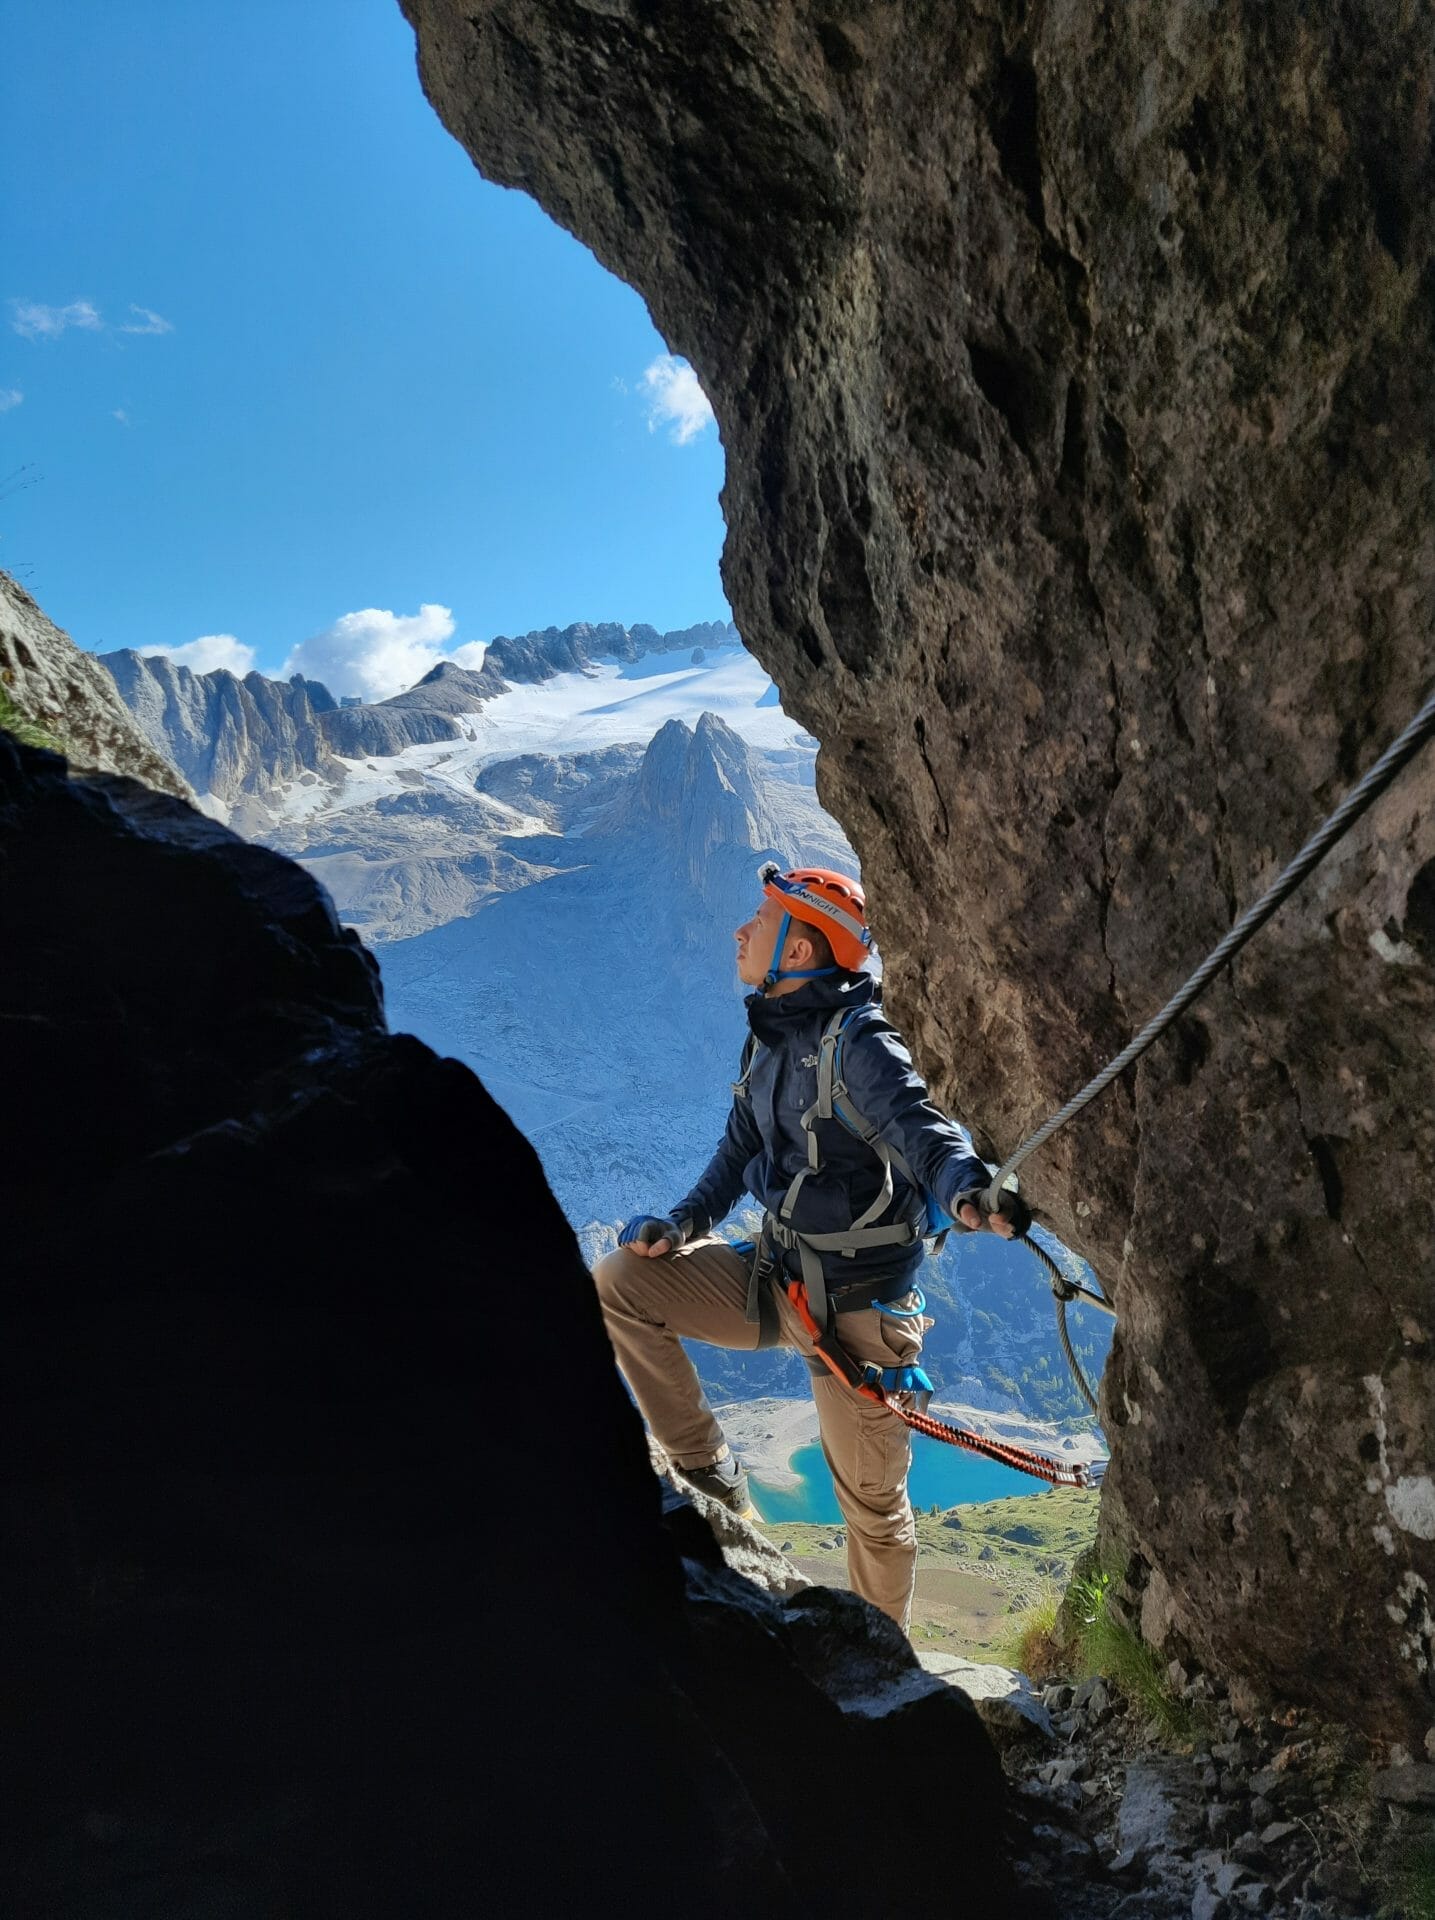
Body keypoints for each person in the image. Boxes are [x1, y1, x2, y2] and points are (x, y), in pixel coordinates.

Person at [591, 863, 1029, 1630]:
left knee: (874, 1511)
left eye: (758, 921)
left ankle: (884, 1669)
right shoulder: (767, 1037)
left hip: (861, 1320)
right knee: (621, 1281)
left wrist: (967, 1191)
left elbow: (922, 1131)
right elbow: (735, 1155)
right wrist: (682, 1226)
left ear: (798, 951)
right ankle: (711, 1478)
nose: (739, 931)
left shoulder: (860, 1043)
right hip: (778, 1279)